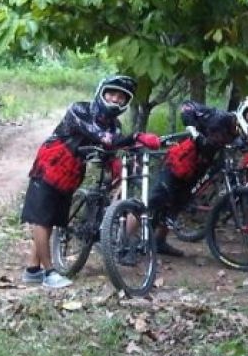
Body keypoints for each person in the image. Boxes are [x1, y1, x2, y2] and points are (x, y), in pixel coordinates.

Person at [20, 75, 159, 288]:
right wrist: (135, 137)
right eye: (112, 94)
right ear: (101, 93)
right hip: (49, 166)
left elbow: (110, 150)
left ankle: (32, 270)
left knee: (51, 219)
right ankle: (48, 272)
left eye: (121, 97)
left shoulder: (115, 125)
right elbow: (104, 139)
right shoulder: (80, 110)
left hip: (71, 173)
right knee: (42, 219)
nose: (115, 100)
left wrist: (121, 164)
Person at [147, 110, 242, 257]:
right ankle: (131, 242)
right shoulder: (216, 116)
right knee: (156, 200)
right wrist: (194, 131)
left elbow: (241, 141)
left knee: (179, 202)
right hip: (182, 159)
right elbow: (186, 109)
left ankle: (159, 241)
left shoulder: (239, 130)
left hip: (199, 166)